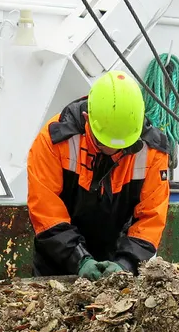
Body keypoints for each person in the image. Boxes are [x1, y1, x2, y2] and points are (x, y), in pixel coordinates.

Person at [27, 71, 171, 281]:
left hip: (119, 260)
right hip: (57, 261)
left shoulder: (153, 151)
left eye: (123, 147)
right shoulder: (54, 140)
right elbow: (46, 212)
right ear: (87, 119)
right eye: (105, 144)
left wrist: (126, 264)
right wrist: (80, 260)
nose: (113, 152)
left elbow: (151, 219)